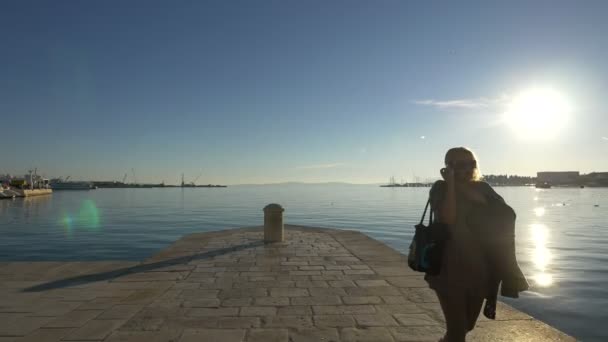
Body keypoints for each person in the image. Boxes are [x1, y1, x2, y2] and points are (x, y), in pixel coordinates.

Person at [426, 147, 527, 342]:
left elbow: (507, 214)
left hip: (481, 270)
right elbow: (447, 218)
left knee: (467, 326)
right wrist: (452, 185)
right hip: (449, 269)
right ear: (449, 166)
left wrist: (463, 187)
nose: (469, 168)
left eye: (472, 164)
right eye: (462, 164)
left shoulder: (483, 188)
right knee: (457, 333)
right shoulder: (440, 188)